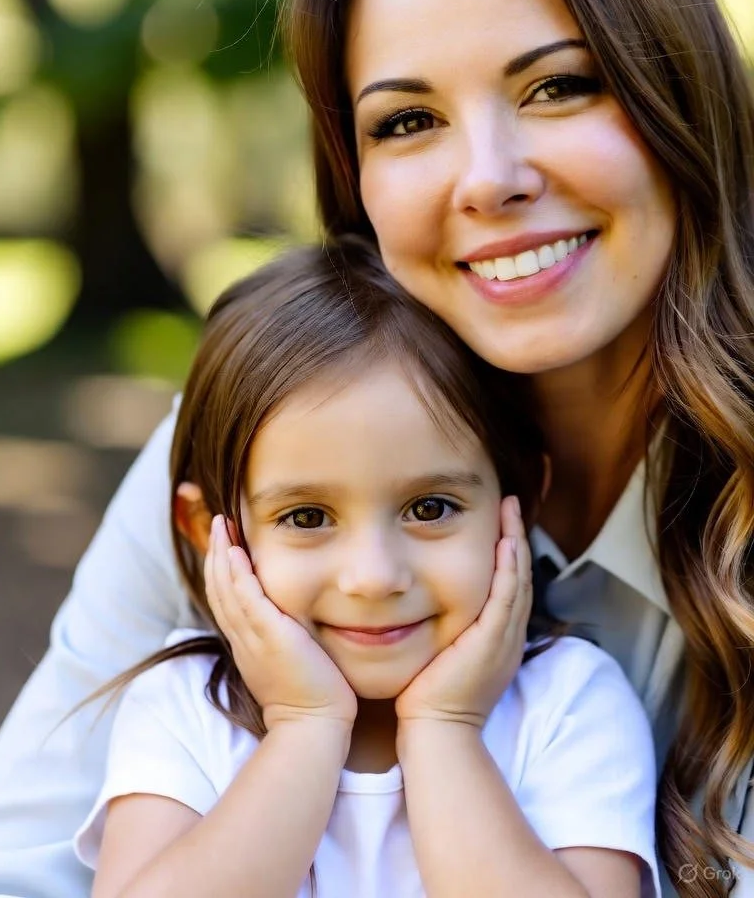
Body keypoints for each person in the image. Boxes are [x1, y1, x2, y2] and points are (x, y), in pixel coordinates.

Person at [0, 0, 751, 898]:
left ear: (680, 97)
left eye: (558, 87)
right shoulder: (259, 450)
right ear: (353, 172)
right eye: (409, 119)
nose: (489, 178)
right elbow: (8, 865)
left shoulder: (571, 700)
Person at [73, 238, 658, 897]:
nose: (375, 577)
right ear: (211, 532)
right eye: (306, 517)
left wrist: (446, 731)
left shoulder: (570, 705)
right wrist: (303, 725)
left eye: (430, 506)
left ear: (520, 506)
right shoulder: (186, 706)